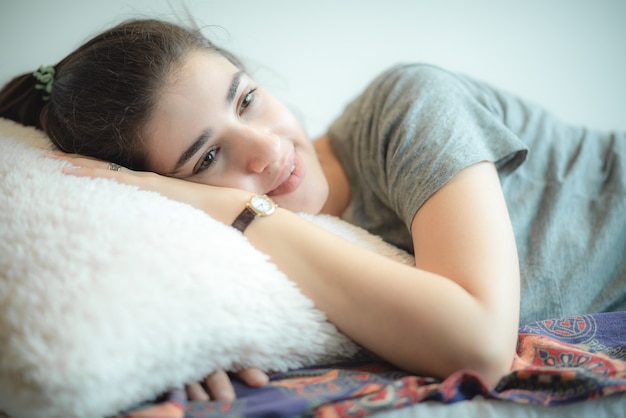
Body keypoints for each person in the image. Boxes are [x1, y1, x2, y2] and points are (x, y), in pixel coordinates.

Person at [1, 18, 625, 404]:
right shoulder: (241, 245)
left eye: (246, 100)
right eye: (210, 155)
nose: (268, 149)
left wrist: (232, 202)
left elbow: (480, 346)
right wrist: (190, 340)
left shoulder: (408, 104)